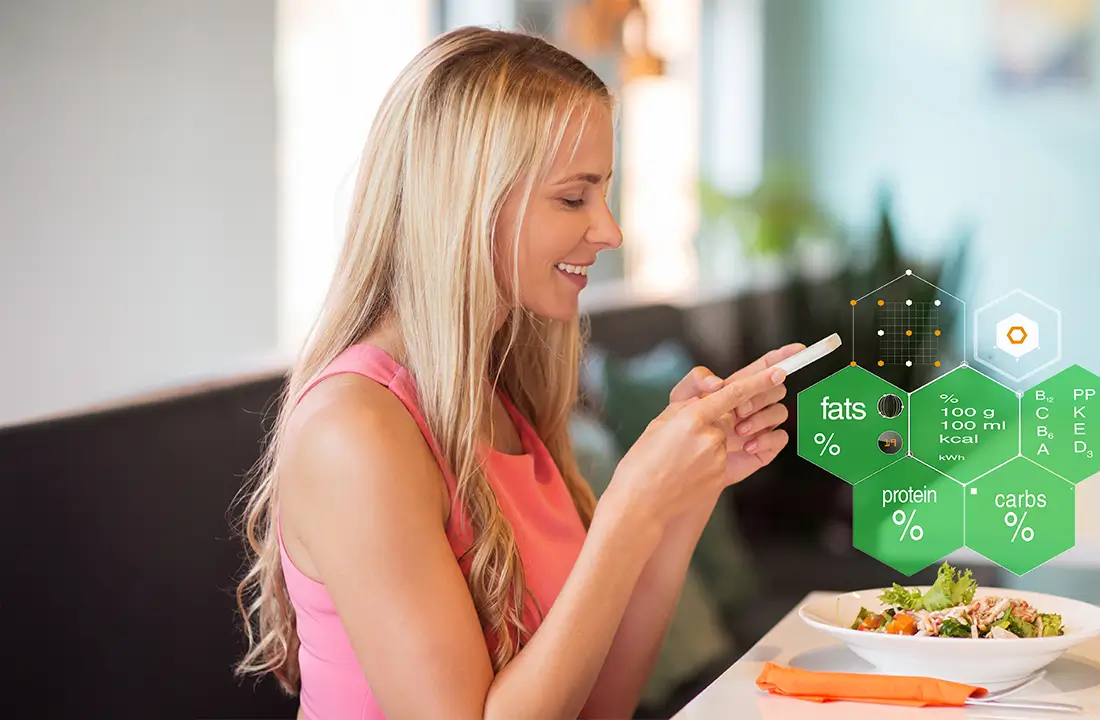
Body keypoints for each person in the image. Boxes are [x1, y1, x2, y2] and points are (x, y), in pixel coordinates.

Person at [234, 26, 801, 720]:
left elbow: (600, 704)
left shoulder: (499, 397)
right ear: (468, 203)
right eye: (574, 198)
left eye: (605, 193)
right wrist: (631, 502)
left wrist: (684, 496)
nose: (609, 230)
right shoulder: (355, 430)